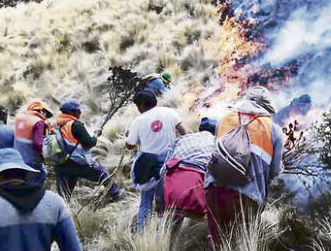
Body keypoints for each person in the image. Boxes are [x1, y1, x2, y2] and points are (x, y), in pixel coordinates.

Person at [204, 86, 284, 247]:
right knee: (242, 247)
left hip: (215, 189)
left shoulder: (224, 119)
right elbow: (275, 171)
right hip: (248, 196)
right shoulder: (273, 130)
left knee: (218, 243)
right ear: (266, 107)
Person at [125, 91, 187, 231]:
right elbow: (184, 132)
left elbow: (130, 145)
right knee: (168, 198)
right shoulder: (170, 112)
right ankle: (165, 230)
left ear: (141, 105)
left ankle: (142, 232)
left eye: (137, 105)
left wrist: (127, 138)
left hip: (148, 164)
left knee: (146, 199)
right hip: (170, 162)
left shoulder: (138, 121)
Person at [53, 100, 121, 200]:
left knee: (64, 196)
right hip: (77, 163)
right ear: (72, 112)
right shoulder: (76, 125)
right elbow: (89, 143)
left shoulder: (54, 125)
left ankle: (61, 213)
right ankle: (116, 196)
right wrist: (96, 135)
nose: (80, 112)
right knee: (102, 174)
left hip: (59, 164)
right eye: (78, 110)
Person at [157, 118, 217, 228]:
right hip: (195, 183)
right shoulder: (216, 142)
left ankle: (161, 243)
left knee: (166, 225)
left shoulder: (182, 138)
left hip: (169, 182)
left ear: (200, 129)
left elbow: (164, 167)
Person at [13, 101, 53, 185]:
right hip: (32, 160)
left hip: (17, 159)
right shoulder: (39, 122)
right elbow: (38, 144)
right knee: (37, 181)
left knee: (20, 183)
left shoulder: (19, 118)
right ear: (42, 111)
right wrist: (45, 157)